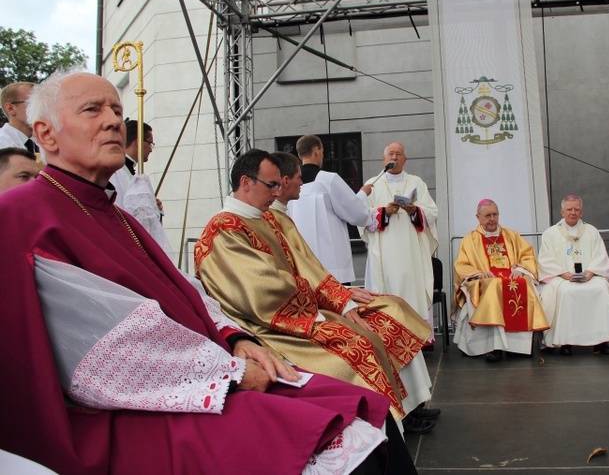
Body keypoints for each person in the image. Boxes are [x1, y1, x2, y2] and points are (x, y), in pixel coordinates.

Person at [0, 69, 404, 474]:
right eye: (93, 109)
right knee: (350, 448)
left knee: (369, 411)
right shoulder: (20, 217)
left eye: (116, 110)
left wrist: (235, 338)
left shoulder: (116, 215)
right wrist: (225, 371)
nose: (112, 121)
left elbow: (183, 290)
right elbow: (98, 344)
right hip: (122, 411)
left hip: (205, 365)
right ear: (46, 134)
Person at [195, 149, 437, 434]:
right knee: (360, 341)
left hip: (302, 308)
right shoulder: (223, 230)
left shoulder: (265, 218)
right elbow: (263, 291)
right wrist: (329, 305)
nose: (277, 192)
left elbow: (306, 265)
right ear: (246, 182)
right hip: (270, 325)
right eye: (271, 185)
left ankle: (408, 406)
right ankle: (387, 427)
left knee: (389, 312)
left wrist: (340, 298)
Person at [271, 151, 439, 434]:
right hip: (304, 312)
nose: (302, 185)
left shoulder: (281, 216)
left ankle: (415, 402)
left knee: (395, 312)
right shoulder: (263, 220)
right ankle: (400, 416)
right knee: (378, 331)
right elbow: (360, 216)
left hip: (326, 292)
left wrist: (341, 293)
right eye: (297, 180)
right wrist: (339, 298)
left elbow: (308, 268)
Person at [360, 142, 439, 346]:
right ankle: (388, 335)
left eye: (399, 154)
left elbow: (432, 211)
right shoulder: (373, 183)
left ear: (405, 159)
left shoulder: (416, 182)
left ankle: (417, 335)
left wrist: (416, 211)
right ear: (384, 159)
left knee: (412, 288)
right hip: (384, 250)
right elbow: (360, 215)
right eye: (391, 154)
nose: (394, 157)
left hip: (411, 250)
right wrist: (383, 213)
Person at [453, 200, 549, 362]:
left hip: (511, 277)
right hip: (484, 281)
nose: (492, 219)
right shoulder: (470, 239)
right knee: (494, 286)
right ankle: (493, 346)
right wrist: (478, 273)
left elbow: (527, 255)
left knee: (525, 284)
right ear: (478, 217)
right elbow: (461, 265)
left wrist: (521, 269)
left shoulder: (511, 236)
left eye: (495, 214)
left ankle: (518, 347)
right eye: (487, 215)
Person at [537, 194, 609, 355]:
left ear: (581, 212)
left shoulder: (591, 231)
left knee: (601, 288)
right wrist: (563, 274)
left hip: (589, 276)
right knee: (565, 292)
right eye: (569, 209)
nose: (573, 213)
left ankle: (602, 341)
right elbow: (545, 260)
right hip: (561, 278)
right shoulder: (550, 233)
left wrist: (590, 272)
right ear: (562, 212)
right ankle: (565, 341)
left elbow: (600, 256)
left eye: (577, 209)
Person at [287, 134, 373, 284]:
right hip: (332, 267)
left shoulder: (290, 185)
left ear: (299, 155)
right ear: (317, 150)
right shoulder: (328, 180)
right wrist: (363, 193)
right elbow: (356, 213)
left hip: (302, 264)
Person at [110, 119, 171, 254]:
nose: (150, 149)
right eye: (150, 143)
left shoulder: (132, 174)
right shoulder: (116, 172)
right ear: (138, 142)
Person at [0, 82, 39, 153]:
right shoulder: (3, 145)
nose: (41, 107)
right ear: (10, 108)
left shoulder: (41, 143)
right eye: (33, 102)